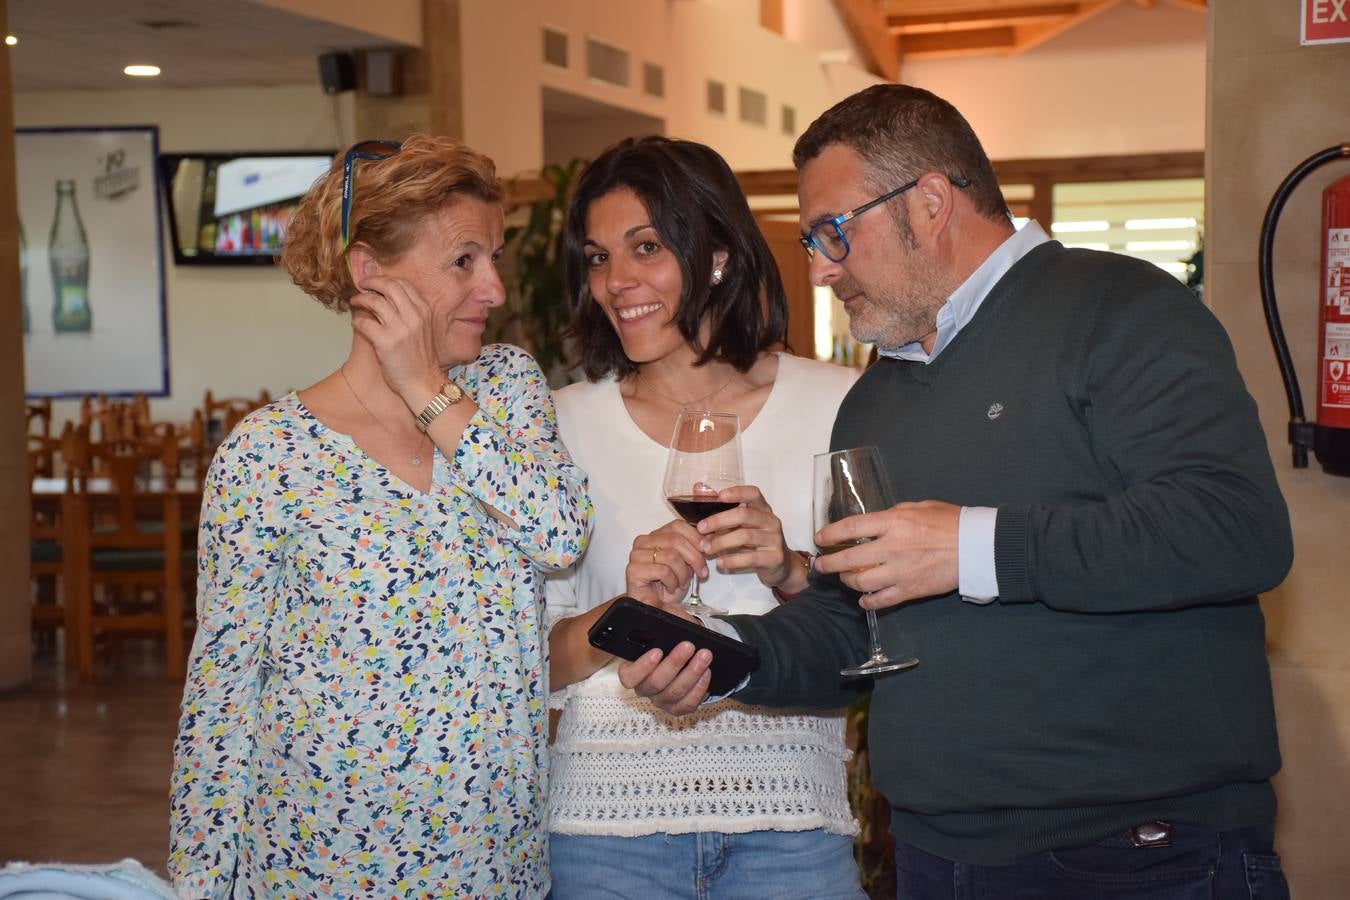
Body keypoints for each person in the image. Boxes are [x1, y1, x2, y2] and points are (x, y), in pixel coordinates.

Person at [620, 85, 1294, 900]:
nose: (821, 267)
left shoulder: (1121, 308)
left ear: (931, 201)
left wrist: (970, 546)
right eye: (809, 240)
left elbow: (1236, 528)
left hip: (1139, 855)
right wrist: (717, 653)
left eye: (835, 231)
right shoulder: (876, 396)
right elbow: (848, 622)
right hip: (936, 855)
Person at [168, 134, 592, 898]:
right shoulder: (267, 456)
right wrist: (201, 882)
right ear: (371, 273)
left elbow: (558, 533)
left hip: (494, 862)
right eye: (465, 259)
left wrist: (427, 387)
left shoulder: (501, 390)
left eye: (494, 256)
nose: (493, 287)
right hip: (317, 862)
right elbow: (223, 694)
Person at [543, 136, 864, 899]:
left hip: (789, 822)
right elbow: (526, 660)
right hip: (604, 832)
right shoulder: (557, 425)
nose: (616, 282)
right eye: (596, 258)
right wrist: (624, 616)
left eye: (645, 247)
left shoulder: (838, 404)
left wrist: (790, 570)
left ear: (718, 254)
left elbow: (873, 638)